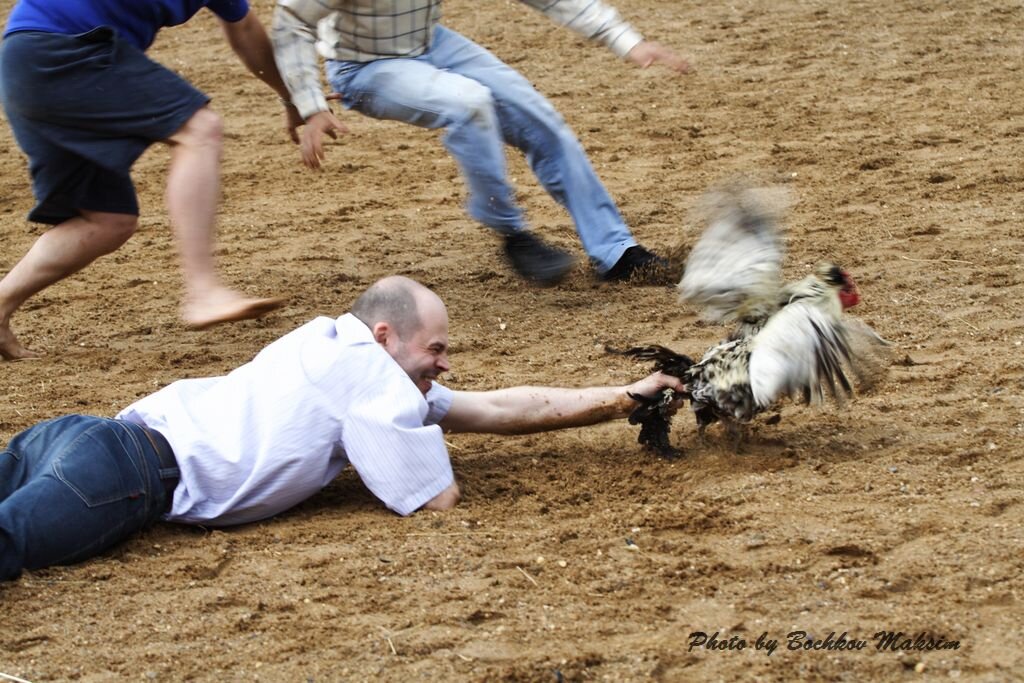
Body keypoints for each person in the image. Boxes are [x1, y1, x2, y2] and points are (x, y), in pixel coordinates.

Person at [0, 276, 684, 580]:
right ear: (386, 335)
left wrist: (626, 396)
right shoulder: (372, 381)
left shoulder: (334, 344)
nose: (445, 364)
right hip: (118, 477)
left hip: (77, 438)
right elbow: (434, 502)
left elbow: (503, 408)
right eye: (436, 350)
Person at [270, 0, 690, 286]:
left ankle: (617, 252)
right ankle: (512, 233)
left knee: (540, 120)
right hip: (362, 68)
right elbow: (291, 20)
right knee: (469, 104)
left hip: (428, 43)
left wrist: (625, 39)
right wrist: (309, 104)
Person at [0, 0, 301, 361]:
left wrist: (292, 99)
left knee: (106, 220)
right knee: (200, 129)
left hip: (29, 63)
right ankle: (203, 290)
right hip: (63, 50)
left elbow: (245, 29)